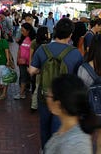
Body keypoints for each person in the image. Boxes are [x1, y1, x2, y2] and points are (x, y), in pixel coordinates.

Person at [28, 18, 83, 149]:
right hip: (65, 99)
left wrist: (42, 70)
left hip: (44, 96)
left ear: (55, 31)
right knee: (59, 129)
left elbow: (31, 70)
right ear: (70, 35)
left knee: (44, 126)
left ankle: (45, 150)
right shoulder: (75, 53)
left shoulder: (43, 49)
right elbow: (79, 78)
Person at [44, 74, 96, 154]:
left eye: (48, 96)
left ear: (58, 104)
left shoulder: (74, 144)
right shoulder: (67, 129)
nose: (46, 99)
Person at [30, 26, 51, 111]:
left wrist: (31, 66)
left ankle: (34, 105)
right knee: (42, 86)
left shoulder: (35, 42)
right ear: (45, 34)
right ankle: (39, 104)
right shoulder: (49, 43)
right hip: (46, 68)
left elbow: (31, 56)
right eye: (48, 32)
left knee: (37, 86)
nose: (49, 33)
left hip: (37, 67)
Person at [14, 23, 36, 100]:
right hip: (21, 62)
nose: (22, 32)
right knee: (23, 76)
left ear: (28, 31)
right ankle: (22, 92)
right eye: (21, 31)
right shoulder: (23, 38)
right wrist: (18, 58)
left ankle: (22, 92)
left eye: (23, 31)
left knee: (26, 77)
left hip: (29, 62)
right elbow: (20, 49)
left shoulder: (33, 40)